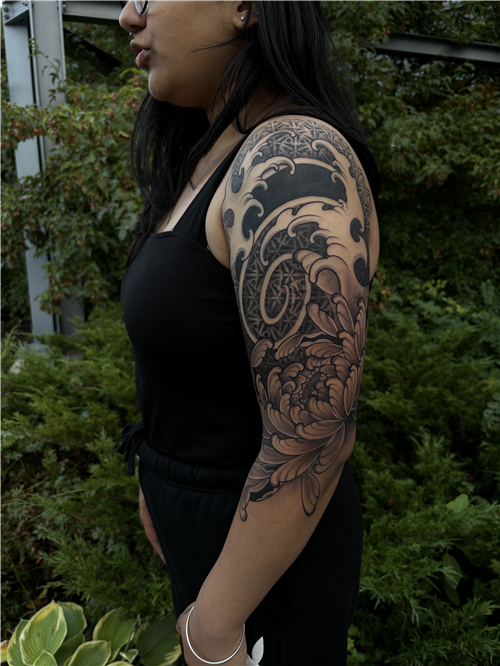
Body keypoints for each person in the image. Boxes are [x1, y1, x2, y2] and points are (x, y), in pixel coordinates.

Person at [117, 0, 380, 664]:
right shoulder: (212, 155)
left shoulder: (294, 160)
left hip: (265, 573)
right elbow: (195, 356)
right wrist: (158, 468)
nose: (127, 15)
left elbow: (313, 431)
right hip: (216, 539)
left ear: (245, 6)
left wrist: (214, 629)